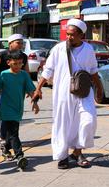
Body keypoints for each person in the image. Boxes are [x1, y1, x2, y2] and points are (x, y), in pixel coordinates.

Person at [33, 18, 103, 169]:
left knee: (88, 121)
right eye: (67, 34)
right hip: (63, 92)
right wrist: (38, 88)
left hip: (84, 92)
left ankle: (77, 151)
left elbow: (93, 71)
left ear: (81, 36)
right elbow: (48, 70)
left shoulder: (89, 49)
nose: (68, 37)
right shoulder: (59, 48)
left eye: (72, 34)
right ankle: (62, 156)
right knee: (63, 124)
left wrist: (100, 90)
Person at [0, 51, 40, 170]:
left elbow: (31, 90)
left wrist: (35, 103)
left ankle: (5, 147)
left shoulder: (24, 75)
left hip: (17, 109)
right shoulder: (3, 75)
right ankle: (19, 155)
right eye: (14, 63)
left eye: (20, 63)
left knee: (9, 133)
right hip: (5, 108)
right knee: (13, 133)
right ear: (8, 63)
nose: (17, 66)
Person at [0, 34, 30, 153]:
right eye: (18, 42)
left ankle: (7, 139)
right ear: (10, 44)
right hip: (2, 90)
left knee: (14, 115)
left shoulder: (23, 56)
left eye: (22, 42)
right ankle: (4, 138)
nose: (21, 45)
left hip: (18, 91)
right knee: (5, 115)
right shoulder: (1, 55)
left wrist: (29, 89)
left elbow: (27, 72)